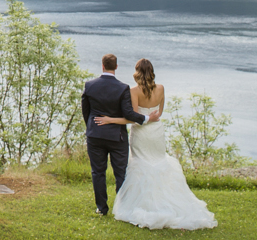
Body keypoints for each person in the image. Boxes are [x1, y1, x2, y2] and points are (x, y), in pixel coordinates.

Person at [93, 58, 217, 230]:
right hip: (157, 132)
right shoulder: (161, 89)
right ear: (152, 72)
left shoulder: (134, 91)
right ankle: (165, 203)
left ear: (137, 73)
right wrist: (150, 118)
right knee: (159, 163)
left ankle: (142, 205)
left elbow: (134, 119)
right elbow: (159, 113)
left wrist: (110, 120)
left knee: (142, 165)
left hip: (142, 134)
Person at [80, 53, 155, 216]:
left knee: (97, 172)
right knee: (121, 172)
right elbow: (129, 114)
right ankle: (123, 208)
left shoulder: (89, 85)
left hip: (95, 135)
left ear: (102, 66)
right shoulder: (122, 88)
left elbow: (85, 111)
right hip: (116, 137)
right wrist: (148, 118)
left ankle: (101, 208)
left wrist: (92, 126)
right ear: (116, 67)